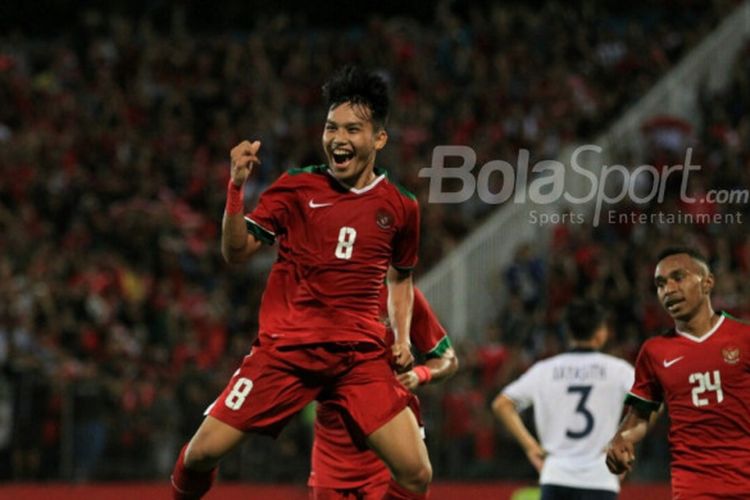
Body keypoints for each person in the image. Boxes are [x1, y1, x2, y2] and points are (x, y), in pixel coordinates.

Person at [170, 66, 431, 500]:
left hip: (359, 358)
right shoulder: (295, 187)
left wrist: (402, 337)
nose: (338, 139)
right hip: (288, 351)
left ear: (379, 139)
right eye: (331, 128)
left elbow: (401, 278)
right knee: (199, 455)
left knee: (416, 474)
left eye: (352, 129)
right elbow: (235, 252)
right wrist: (235, 188)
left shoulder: (401, 207)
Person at [606, 247, 750, 499]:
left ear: (707, 283)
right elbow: (639, 416)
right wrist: (620, 440)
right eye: (660, 284)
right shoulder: (655, 352)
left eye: (678, 278)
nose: (668, 290)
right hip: (693, 486)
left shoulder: (744, 337)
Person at [309, 285, 458, 499]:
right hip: (333, 447)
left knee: (415, 476)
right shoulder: (322, 290)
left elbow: (448, 358)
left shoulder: (403, 296)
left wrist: (421, 374)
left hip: (388, 449)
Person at [493, 300, 634, 500]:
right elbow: (652, 403)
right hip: (600, 476)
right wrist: (626, 439)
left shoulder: (545, 370)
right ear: (601, 333)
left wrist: (530, 446)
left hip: (556, 474)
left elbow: (502, 404)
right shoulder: (618, 370)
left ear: (568, 332)